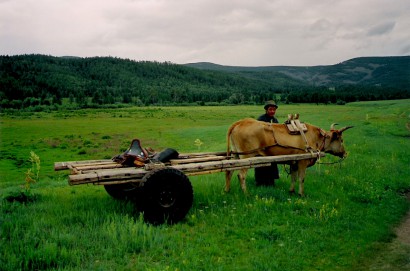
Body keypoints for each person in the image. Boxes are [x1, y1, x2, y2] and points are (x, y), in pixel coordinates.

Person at [255, 100, 280, 186]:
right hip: (261, 145)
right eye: (270, 109)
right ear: (266, 110)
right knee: (261, 164)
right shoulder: (260, 119)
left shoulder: (275, 120)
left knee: (272, 163)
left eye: (274, 109)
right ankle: (260, 182)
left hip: (272, 146)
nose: (272, 111)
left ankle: (270, 182)